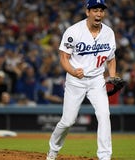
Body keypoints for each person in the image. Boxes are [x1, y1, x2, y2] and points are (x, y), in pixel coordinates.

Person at [46, 0, 117, 160]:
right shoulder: (74, 31)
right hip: (75, 81)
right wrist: (72, 70)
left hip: (97, 80)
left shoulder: (109, 33)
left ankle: (105, 156)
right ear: (87, 12)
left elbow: (111, 58)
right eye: (95, 10)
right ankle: (53, 150)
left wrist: (112, 76)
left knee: (104, 114)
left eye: (101, 10)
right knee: (68, 121)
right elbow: (64, 57)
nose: (99, 14)